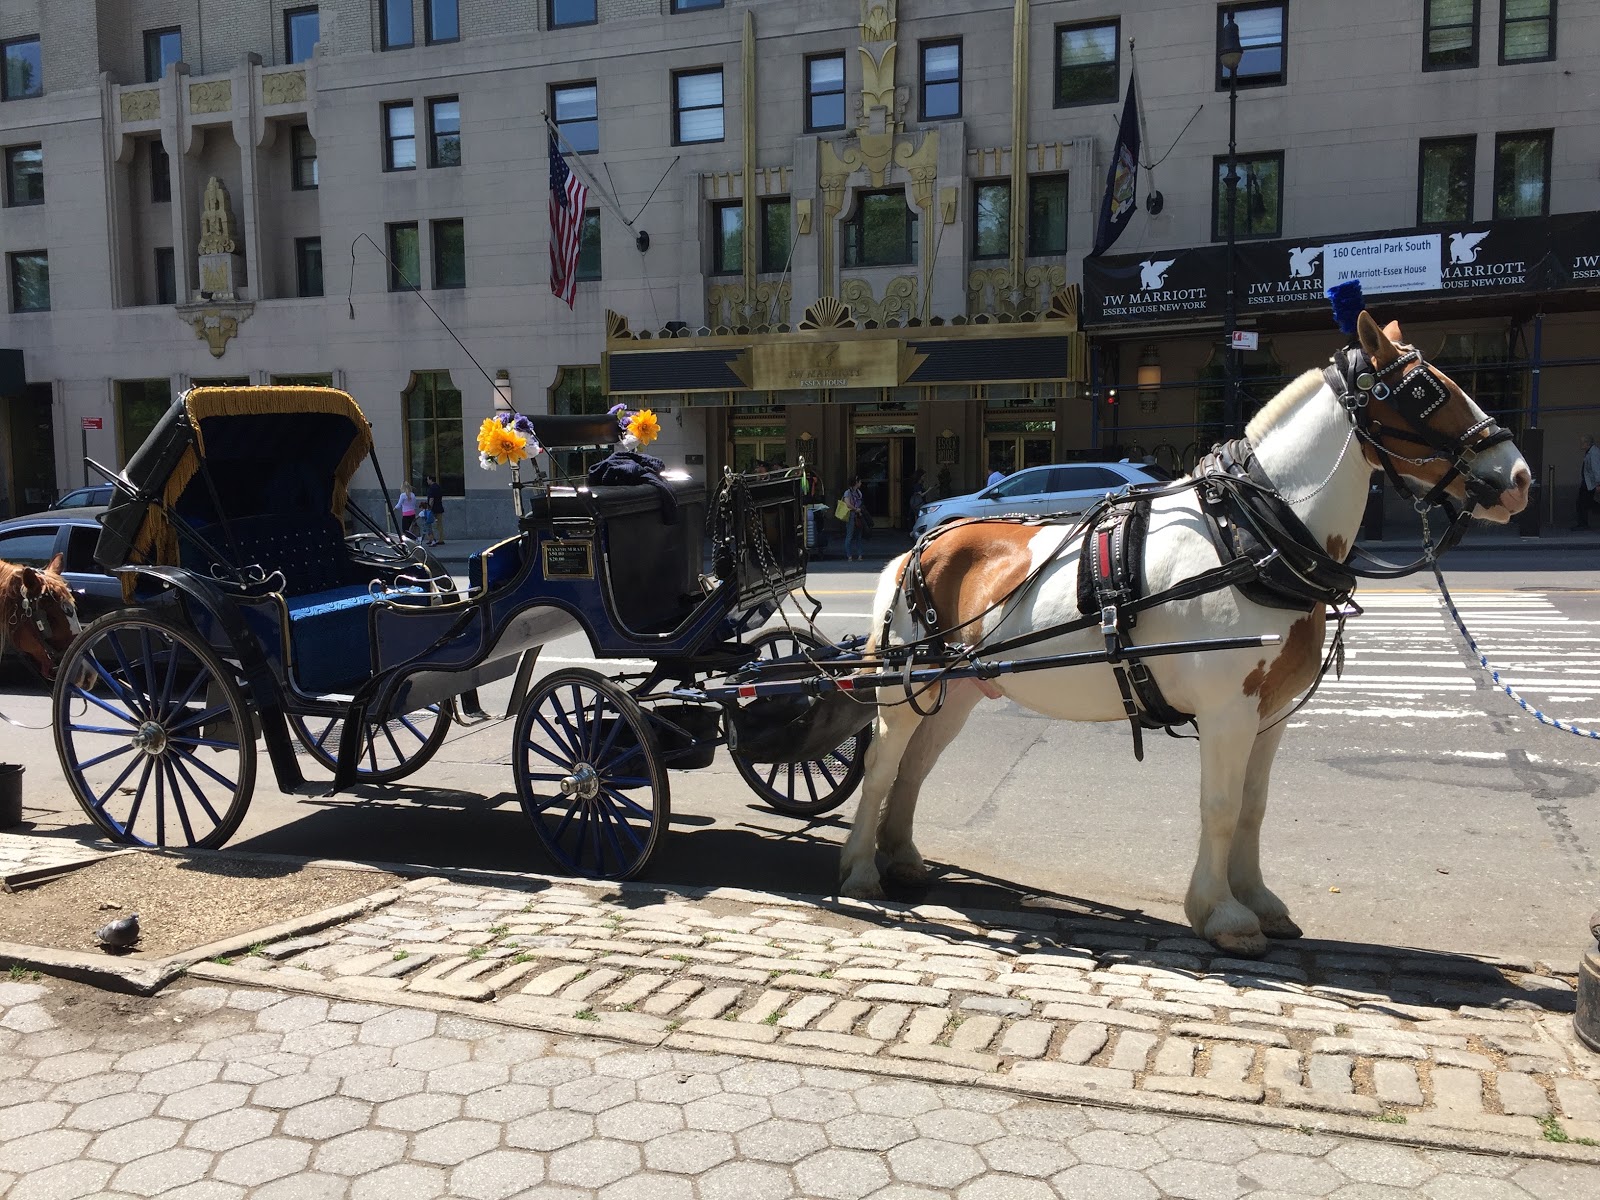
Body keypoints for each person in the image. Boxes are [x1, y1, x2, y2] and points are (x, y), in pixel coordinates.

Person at [1574, 434, 1600, 530]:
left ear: (1587, 443)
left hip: (1590, 483)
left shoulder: (1594, 453)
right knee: (1585, 503)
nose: (1581, 444)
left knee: (1583, 503)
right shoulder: (1590, 452)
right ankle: (1583, 523)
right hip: (1588, 482)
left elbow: (1596, 469)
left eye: (1582, 442)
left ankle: (1583, 524)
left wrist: (1598, 483)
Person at [842, 476, 866, 561]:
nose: (860, 483)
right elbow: (847, 504)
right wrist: (856, 509)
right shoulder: (847, 493)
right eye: (859, 482)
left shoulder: (858, 492)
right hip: (851, 515)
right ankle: (849, 555)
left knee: (858, 536)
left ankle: (860, 554)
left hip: (858, 515)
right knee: (850, 535)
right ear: (856, 483)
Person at [425, 475, 445, 545]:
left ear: (431, 480)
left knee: (429, 524)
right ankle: (440, 539)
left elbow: (431, 499)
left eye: (428, 480)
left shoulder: (431, 488)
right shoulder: (438, 487)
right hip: (439, 507)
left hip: (433, 509)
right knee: (439, 524)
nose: (427, 481)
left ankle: (432, 539)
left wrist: (429, 507)